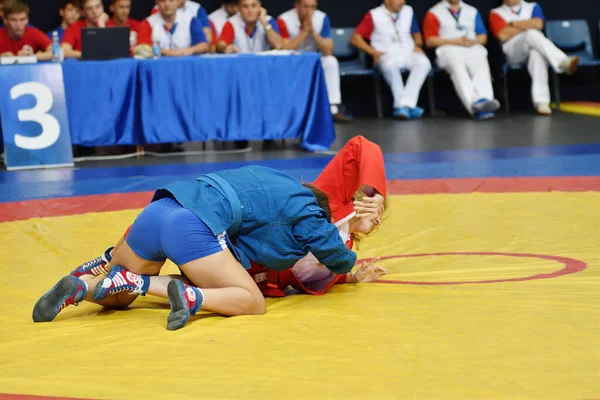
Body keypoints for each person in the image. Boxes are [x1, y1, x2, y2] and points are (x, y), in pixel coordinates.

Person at [32, 166, 357, 330]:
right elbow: (338, 259)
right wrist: (351, 234)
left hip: (157, 210)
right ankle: (191, 298)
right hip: (192, 223)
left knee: (119, 301)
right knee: (253, 302)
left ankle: (82, 288)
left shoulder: (274, 181)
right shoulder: (308, 210)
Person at [489, 0, 579, 115]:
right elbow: (502, 35)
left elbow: (538, 24)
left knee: (537, 54)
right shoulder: (496, 12)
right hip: (513, 51)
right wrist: (527, 24)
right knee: (531, 33)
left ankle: (541, 102)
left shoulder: (532, 6)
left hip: (534, 47)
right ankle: (562, 61)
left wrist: (512, 23)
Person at [351, 0, 431, 120]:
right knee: (389, 65)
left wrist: (417, 46)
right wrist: (372, 51)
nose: (402, 2)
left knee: (424, 62)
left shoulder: (408, 11)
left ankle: (404, 104)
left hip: (408, 53)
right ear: (387, 1)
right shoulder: (374, 14)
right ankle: (406, 106)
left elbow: (417, 35)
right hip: (386, 55)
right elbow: (355, 39)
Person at [423, 0, 500, 120]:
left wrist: (473, 41)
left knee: (480, 54)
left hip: (469, 46)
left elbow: (483, 36)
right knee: (456, 63)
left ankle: (485, 99)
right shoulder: (434, 13)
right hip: (447, 49)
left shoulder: (472, 11)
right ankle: (473, 105)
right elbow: (430, 41)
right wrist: (455, 41)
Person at [277, 0, 352, 122]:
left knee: (330, 61)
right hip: (292, 62)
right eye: (305, 6)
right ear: (296, 6)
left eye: (312, 7)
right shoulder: (284, 19)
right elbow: (284, 49)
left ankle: (333, 108)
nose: (309, 11)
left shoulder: (321, 17)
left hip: (313, 60)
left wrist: (313, 32)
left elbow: (328, 50)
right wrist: (304, 32)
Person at [136, 0, 209, 57]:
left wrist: (190, 50)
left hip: (185, 64)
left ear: (178, 2)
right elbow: (142, 47)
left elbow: (204, 45)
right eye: (162, 1)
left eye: (171, 0)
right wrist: (166, 52)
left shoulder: (191, 20)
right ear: (157, 3)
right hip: (157, 66)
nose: (167, 4)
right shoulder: (148, 22)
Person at [216, 0, 282, 53]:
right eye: (245, 6)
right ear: (239, 9)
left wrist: (264, 21)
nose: (250, 10)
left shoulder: (268, 20)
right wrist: (225, 48)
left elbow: (278, 45)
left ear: (260, 7)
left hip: (264, 64)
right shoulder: (232, 23)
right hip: (240, 64)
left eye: (253, 6)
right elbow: (220, 44)